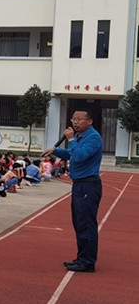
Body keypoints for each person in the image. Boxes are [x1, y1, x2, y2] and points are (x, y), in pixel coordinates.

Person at [41, 109, 103, 273]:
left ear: (89, 122)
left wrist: (70, 139)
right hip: (79, 185)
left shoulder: (94, 138)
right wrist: (56, 151)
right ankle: (82, 257)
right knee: (78, 222)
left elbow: (81, 155)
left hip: (88, 185)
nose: (75, 122)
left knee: (86, 223)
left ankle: (88, 262)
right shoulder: (79, 137)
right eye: (73, 119)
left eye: (79, 119)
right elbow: (71, 154)